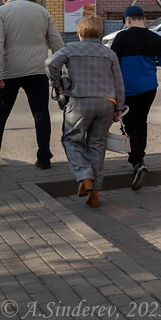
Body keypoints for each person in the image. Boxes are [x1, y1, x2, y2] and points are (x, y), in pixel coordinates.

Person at [0, 0, 65, 170]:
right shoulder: (41, 11)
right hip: (38, 70)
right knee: (41, 113)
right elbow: (57, 43)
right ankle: (44, 157)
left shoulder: (1, 12)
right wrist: (61, 70)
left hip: (10, 72)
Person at [46, 14, 126, 208]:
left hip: (80, 102)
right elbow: (119, 83)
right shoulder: (109, 53)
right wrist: (119, 108)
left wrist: (58, 84)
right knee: (97, 145)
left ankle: (84, 176)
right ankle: (95, 193)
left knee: (71, 139)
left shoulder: (71, 48)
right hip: (106, 103)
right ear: (100, 33)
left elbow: (50, 64)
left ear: (80, 33)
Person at [110, 5, 161, 190]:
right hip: (148, 90)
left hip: (127, 91)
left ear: (127, 20)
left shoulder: (121, 37)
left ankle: (137, 162)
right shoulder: (155, 38)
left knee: (131, 125)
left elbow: (112, 65)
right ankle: (138, 160)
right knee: (140, 123)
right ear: (144, 20)